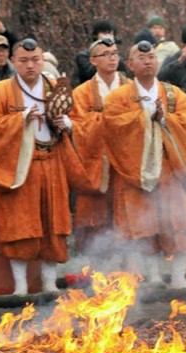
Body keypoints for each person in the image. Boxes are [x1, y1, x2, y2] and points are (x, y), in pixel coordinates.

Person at [0, 38, 96, 294]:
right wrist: (21, 119)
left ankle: (49, 282)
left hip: (53, 161)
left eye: (35, 60)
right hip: (20, 166)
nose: (30, 65)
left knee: (53, 223)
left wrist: (67, 124)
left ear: (42, 60)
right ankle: (21, 286)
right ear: (14, 62)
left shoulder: (55, 87)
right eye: (24, 60)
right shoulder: (1, 91)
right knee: (20, 224)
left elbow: (81, 121)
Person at [102, 41, 186, 288]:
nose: (147, 61)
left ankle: (178, 277)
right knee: (145, 226)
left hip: (171, 169)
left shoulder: (175, 95)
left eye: (151, 57)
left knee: (180, 223)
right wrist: (145, 117)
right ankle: (154, 276)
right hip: (138, 171)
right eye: (141, 57)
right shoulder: (118, 98)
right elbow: (112, 126)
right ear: (130, 65)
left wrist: (166, 119)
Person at [70, 38, 129, 258]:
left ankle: (129, 265)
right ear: (93, 61)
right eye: (105, 54)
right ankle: (94, 264)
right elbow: (77, 125)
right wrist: (107, 119)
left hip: (125, 163)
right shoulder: (82, 93)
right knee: (95, 214)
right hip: (96, 164)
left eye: (115, 53)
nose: (112, 58)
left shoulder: (131, 88)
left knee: (125, 214)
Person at [74, 20, 127, 85]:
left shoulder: (118, 58)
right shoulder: (83, 56)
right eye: (104, 33)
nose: (108, 36)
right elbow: (90, 73)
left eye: (110, 34)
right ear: (95, 35)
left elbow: (123, 78)